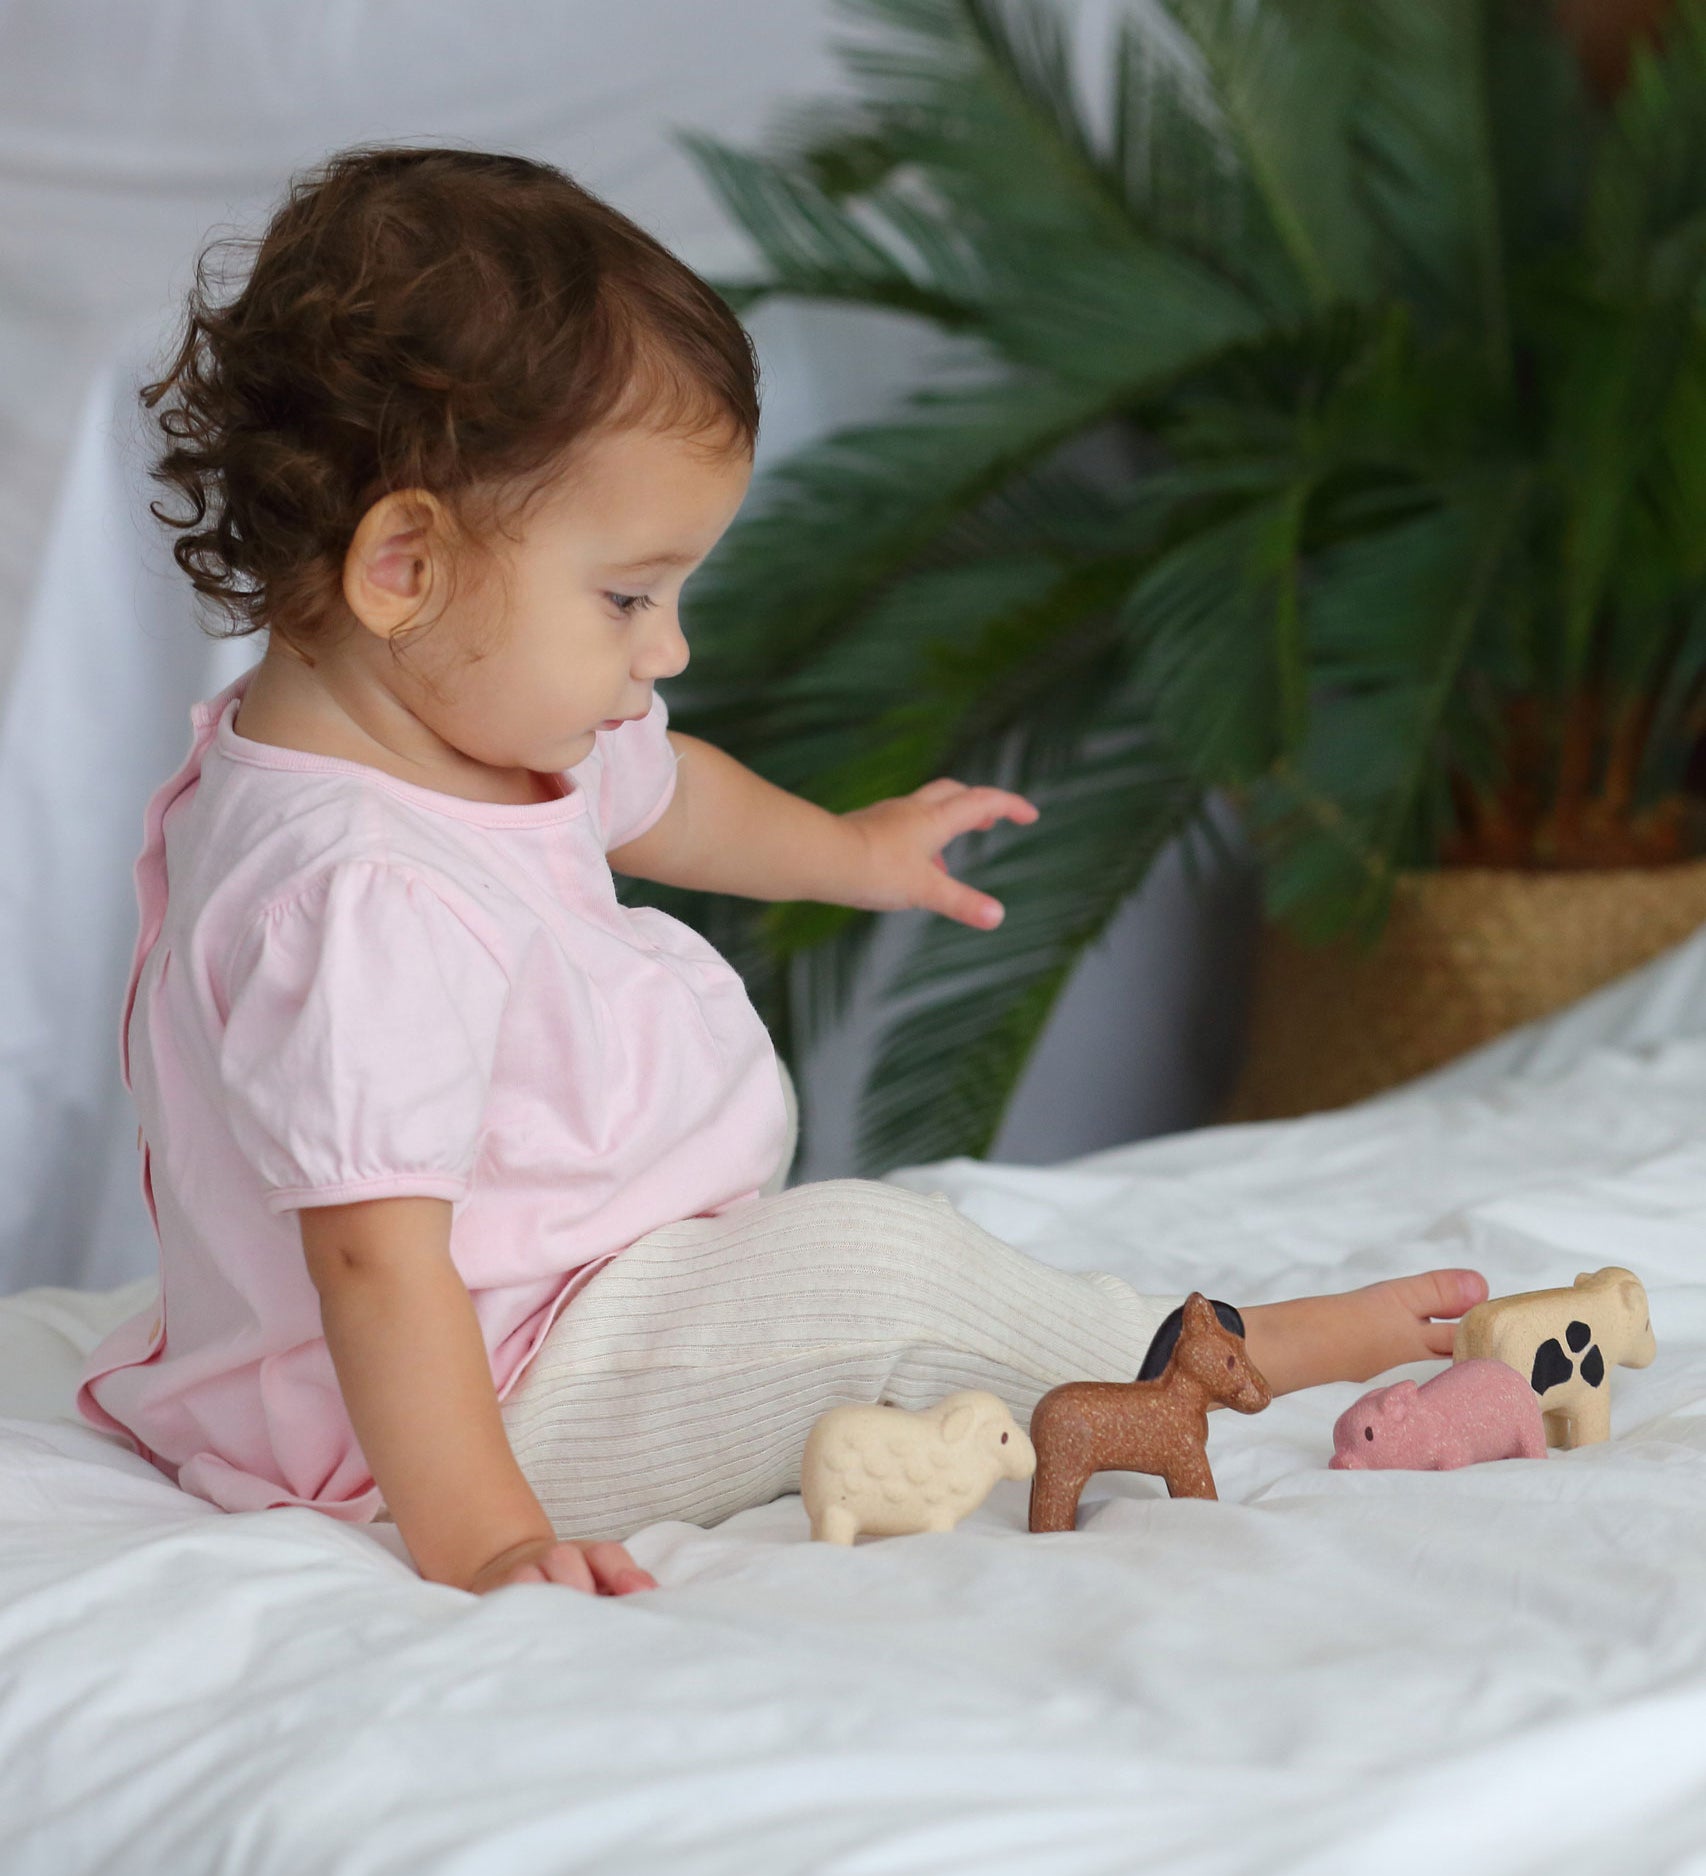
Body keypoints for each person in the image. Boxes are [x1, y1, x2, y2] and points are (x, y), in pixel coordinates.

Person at [75, 145, 1488, 1600]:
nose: (667, 651)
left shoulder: (463, 732)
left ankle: (1132, 1337)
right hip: (460, 1411)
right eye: (628, 596)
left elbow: (665, 789)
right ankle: (1224, 1355)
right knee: (873, 1277)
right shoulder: (361, 893)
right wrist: (487, 1537)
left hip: (553, 1315)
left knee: (843, 1278)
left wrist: (848, 852)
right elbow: (377, 1265)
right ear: (401, 569)